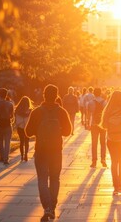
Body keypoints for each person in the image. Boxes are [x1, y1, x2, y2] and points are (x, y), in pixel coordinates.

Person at [25, 84, 72, 221]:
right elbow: (68, 131)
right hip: (56, 150)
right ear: (57, 95)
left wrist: (39, 131)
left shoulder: (37, 111)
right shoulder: (62, 111)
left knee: (42, 179)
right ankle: (52, 206)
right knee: (55, 178)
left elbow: (28, 132)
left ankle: (47, 207)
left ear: (44, 95)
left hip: (41, 150)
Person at [100, 90, 121, 195]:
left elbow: (104, 126)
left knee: (114, 162)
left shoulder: (108, 110)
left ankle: (115, 186)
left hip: (111, 139)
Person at [0, 88, 14, 165]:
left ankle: (1, 157)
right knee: (7, 142)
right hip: (7, 124)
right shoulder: (10, 104)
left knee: (0, 141)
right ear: (6, 95)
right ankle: (6, 158)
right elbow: (12, 116)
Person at [88, 87, 107, 168]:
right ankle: (103, 159)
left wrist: (88, 123)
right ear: (100, 93)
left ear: (94, 93)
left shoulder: (91, 102)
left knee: (94, 143)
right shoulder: (105, 102)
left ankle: (94, 161)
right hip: (102, 124)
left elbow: (89, 114)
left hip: (94, 124)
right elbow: (106, 114)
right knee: (103, 142)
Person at [15, 96, 33, 162]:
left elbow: (16, 119)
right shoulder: (30, 110)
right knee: (27, 142)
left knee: (21, 141)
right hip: (27, 127)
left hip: (20, 127)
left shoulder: (17, 110)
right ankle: (26, 155)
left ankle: (22, 156)